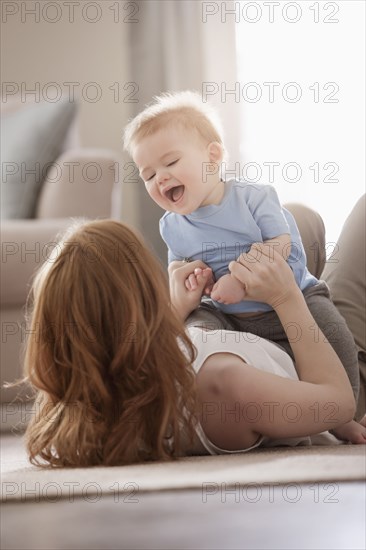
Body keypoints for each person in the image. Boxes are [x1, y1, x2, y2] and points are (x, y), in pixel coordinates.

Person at [8, 200, 366, 468]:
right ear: (146, 300)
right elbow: (338, 403)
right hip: (317, 362)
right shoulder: (224, 384)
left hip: (244, 334)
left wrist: (177, 310)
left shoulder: (78, 415)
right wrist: (286, 297)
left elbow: (118, 349)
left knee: (295, 217)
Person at [123, 90, 360, 417]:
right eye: (148, 175)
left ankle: (345, 411)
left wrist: (238, 281)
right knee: (196, 325)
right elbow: (178, 267)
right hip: (226, 314)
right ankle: (192, 378)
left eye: (172, 162)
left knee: (333, 334)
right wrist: (188, 283)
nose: (159, 178)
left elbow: (282, 243)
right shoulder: (171, 226)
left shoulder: (253, 197)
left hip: (293, 299)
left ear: (213, 156)